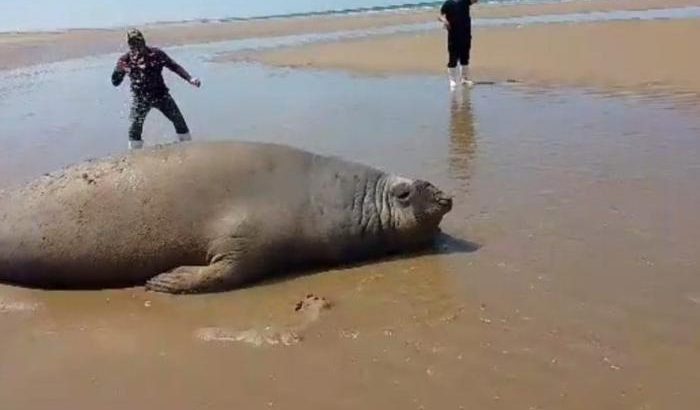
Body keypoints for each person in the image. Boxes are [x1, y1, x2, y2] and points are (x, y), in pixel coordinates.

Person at [111, 29, 201, 150]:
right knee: (134, 128)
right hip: (140, 99)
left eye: (138, 42)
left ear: (143, 41)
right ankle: (134, 154)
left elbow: (173, 66)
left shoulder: (156, 54)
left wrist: (190, 78)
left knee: (179, 121)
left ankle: (188, 147)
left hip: (161, 95)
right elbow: (115, 82)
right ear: (129, 45)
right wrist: (120, 71)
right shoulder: (125, 60)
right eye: (132, 44)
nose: (136, 46)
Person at [439, 0, 478, 90]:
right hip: (453, 35)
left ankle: (464, 79)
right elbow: (441, 16)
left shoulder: (464, 1)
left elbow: (475, 0)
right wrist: (444, 20)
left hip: (466, 33)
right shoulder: (448, 3)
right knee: (453, 58)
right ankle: (452, 81)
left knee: (465, 57)